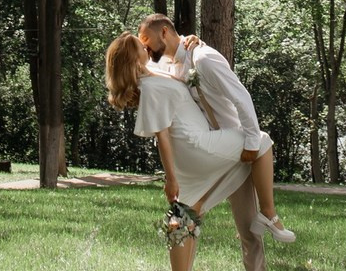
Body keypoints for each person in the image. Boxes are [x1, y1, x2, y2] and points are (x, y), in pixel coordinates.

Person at [106, 32, 291, 271]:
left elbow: (178, 57)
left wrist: (192, 42)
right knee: (260, 141)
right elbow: (162, 136)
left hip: (194, 145)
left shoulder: (156, 70)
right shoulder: (149, 87)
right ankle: (268, 213)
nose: (144, 46)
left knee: (185, 213)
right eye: (138, 46)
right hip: (196, 143)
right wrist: (170, 178)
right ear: (132, 58)